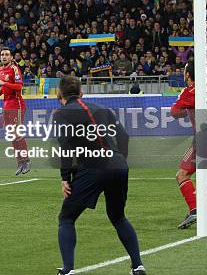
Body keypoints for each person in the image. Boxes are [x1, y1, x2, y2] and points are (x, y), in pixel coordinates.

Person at [54, 75, 145, 275]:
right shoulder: (101, 109)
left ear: (59, 94)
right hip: (118, 165)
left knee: (67, 217)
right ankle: (138, 266)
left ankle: (67, 269)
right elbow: (123, 136)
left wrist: (65, 178)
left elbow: (65, 147)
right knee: (118, 217)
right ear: (81, 93)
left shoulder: (61, 113)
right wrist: (121, 159)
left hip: (93, 167)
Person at [170, 59, 207, 229]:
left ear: (188, 74)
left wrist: (189, 110)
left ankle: (195, 210)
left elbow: (174, 112)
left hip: (204, 137)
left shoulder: (189, 91)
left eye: (184, 71)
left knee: (181, 175)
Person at [0, 48, 30, 175]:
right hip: (6, 105)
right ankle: (20, 162)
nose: (4, 57)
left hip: (16, 104)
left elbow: (19, 86)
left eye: (6, 55)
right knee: (12, 135)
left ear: (11, 57)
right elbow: (4, 87)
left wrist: (3, 82)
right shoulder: (0, 70)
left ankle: (26, 160)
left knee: (17, 133)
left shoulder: (14, 69)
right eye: (2, 55)